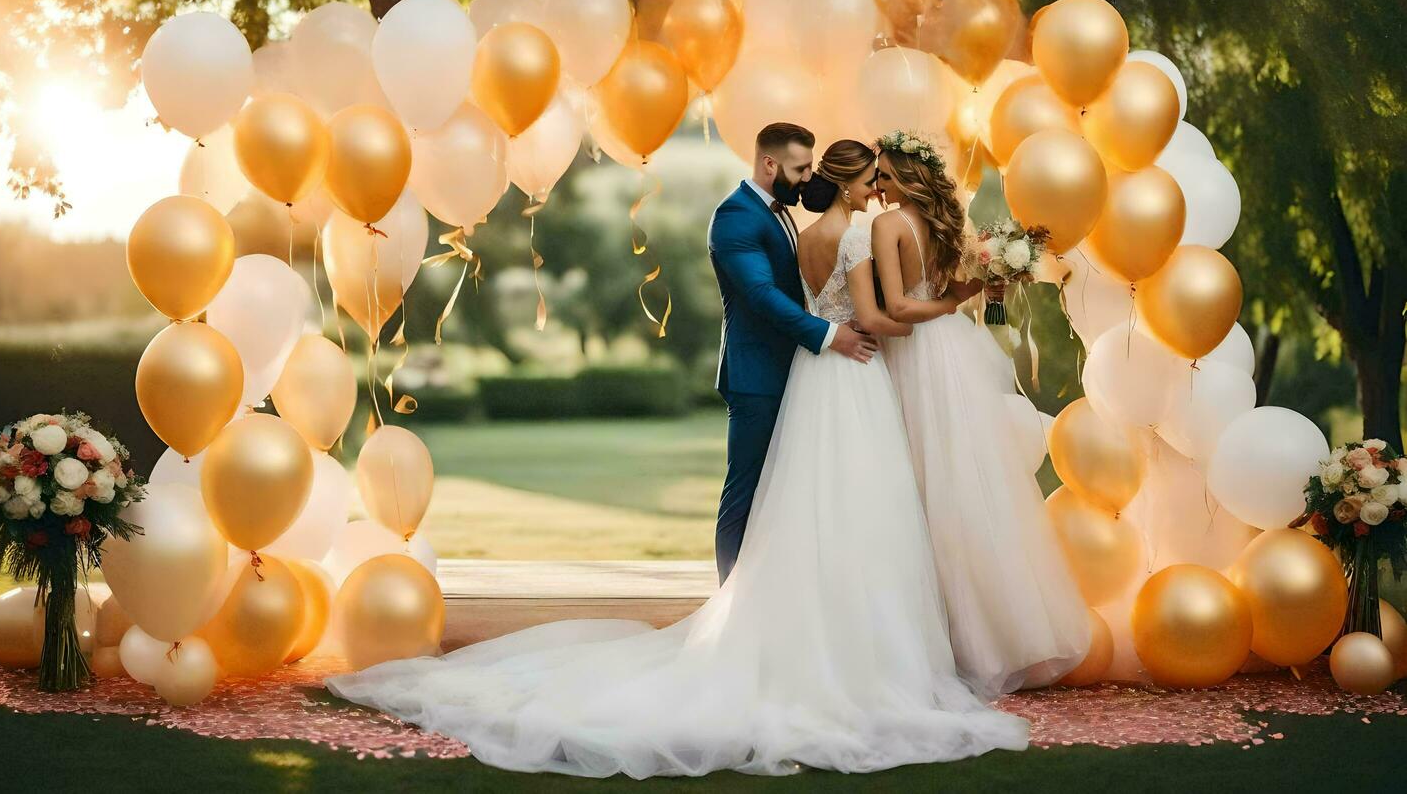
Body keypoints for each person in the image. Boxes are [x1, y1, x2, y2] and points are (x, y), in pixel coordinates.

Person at [325, 137, 1029, 778]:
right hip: (822, 367)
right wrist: (908, 315)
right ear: (789, 169)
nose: (866, 186)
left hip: (814, 376)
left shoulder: (805, 227)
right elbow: (816, 308)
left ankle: (790, 623)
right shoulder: (778, 226)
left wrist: (837, 330)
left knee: (812, 503)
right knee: (808, 501)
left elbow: (816, 297)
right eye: (857, 176)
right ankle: (770, 622)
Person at [873, 130, 1090, 697]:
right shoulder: (945, 225)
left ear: (904, 177)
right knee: (961, 483)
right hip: (949, 351)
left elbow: (899, 306)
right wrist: (982, 287)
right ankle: (986, 631)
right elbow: (964, 290)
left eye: (883, 176)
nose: (876, 186)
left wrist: (951, 300)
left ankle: (940, 635)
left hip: (916, 350)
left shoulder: (888, 225)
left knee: (920, 484)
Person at [707, 122, 875, 583]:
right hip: (756, 375)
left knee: (784, 495)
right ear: (769, 163)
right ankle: (729, 604)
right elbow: (761, 295)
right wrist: (830, 334)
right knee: (746, 491)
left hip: (797, 372)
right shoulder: (735, 217)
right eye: (800, 169)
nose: (807, 179)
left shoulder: (781, 211)